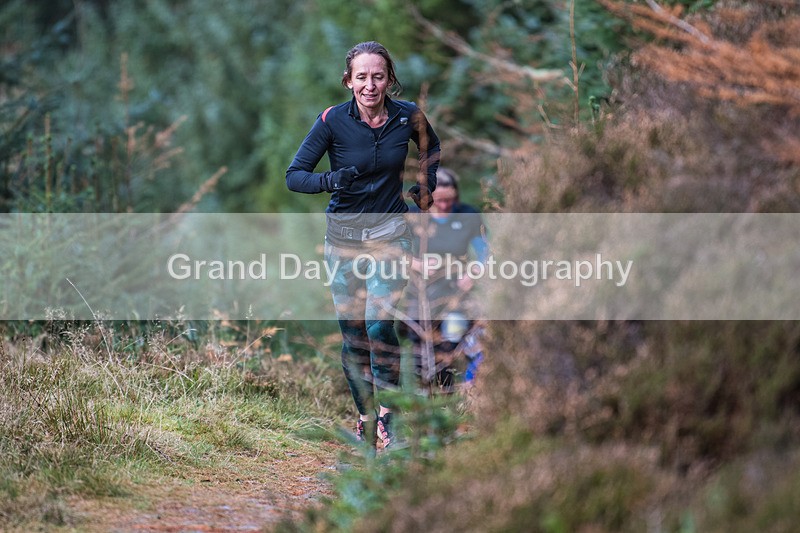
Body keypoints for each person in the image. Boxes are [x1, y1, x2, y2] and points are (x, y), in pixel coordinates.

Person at [286, 41, 440, 449]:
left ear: (390, 79)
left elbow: (432, 148)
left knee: (379, 325)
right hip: (343, 242)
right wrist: (331, 181)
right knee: (354, 335)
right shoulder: (332, 121)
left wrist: (424, 190)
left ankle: (390, 418)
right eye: (361, 77)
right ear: (348, 81)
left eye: (378, 76)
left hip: (391, 234)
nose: (370, 85)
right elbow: (295, 175)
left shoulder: (408, 116)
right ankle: (365, 416)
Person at [403, 167, 487, 389]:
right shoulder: (412, 216)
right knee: (422, 350)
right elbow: (390, 251)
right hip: (420, 295)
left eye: (449, 200)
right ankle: (427, 403)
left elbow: (485, 252)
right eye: (438, 200)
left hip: (455, 294)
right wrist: (416, 264)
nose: (444, 205)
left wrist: (474, 272)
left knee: (450, 346)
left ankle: (450, 399)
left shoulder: (468, 215)